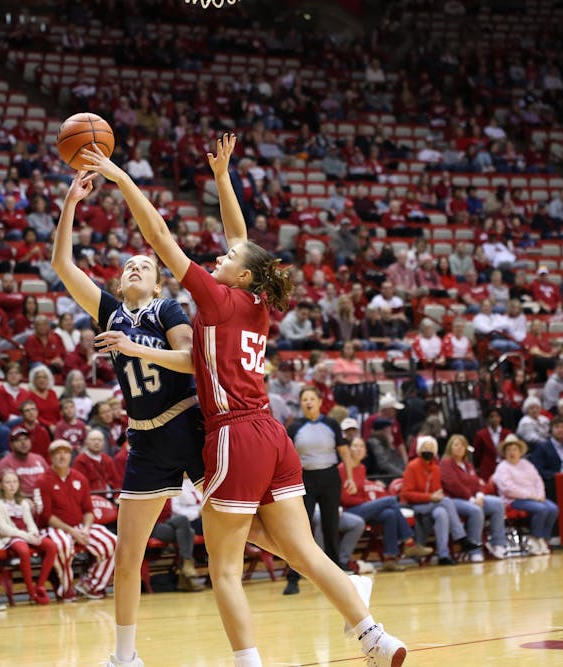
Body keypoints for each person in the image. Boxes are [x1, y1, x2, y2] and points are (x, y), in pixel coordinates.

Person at [80, 135, 407, 667]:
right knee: (302, 551)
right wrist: (223, 178)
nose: (219, 256)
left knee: (225, 571)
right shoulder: (257, 302)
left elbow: (159, 236)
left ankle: (247, 664)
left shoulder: (214, 296)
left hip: (233, 433)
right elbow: (242, 237)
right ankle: (376, 637)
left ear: (242, 274)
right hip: (274, 435)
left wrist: (120, 180)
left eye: (226, 258)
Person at [52, 152, 209, 667]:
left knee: (248, 531)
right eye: (128, 266)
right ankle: (124, 658)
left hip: (188, 425)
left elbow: (191, 361)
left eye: (145, 264)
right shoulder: (109, 309)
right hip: (144, 438)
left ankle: (319, 570)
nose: (136, 265)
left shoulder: (166, 308)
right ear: (120, 284)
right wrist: (71, 204)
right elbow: (62, 266)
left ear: (158, 282)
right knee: (127, 552)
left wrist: (137, 346)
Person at [283, 385, 355, 594]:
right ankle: (293, 576)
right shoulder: (295, 427)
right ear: (301, 403)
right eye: (304, 399)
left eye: (312, 398)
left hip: (330, 478)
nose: (308, 402)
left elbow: (345, 452)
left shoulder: (331, 424)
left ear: (320, 402)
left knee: (330, 525)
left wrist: (350, 478)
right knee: (300, 528)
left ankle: (335, 572)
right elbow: (288, 458)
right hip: (305, 480)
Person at [35, 439, 117, 602]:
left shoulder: (80, 478)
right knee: (63, 544)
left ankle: (90, 585)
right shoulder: (43, 480)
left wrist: (85, 530)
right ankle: (66, 589)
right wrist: (72, 532)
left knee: (113, 541)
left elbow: (88, 510)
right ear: (51, 456)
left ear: (71, 455)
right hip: (52, 528)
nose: (62, 456)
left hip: (80, 526)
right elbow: (47, 516)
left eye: (65, 452)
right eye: (58, 453)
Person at [339, 435, 432, 569]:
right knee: (390, 500)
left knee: (389, 513)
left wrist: (369, 490)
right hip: (349, 512)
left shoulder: (362, 468)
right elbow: (344, 499)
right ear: (348, 449)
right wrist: (365, 501)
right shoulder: (342, 469)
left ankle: (390, 558)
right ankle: (409, 542)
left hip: (363, 508)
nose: (358, 449)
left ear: (366, 452)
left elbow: (360, 491)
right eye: (355, 446)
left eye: (361, 446)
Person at [400, 436, 481, 565]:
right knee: (447, 501)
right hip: (415, 505)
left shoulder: (436, 469)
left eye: (431, 448)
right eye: (425, 447)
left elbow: (437, 492)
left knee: (441, 513)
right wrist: (430, 497)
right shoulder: (412, 466)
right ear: (419, 450)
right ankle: (461, 537)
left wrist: (434, 497)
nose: (428, 450)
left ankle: (443, 555)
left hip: (431, 505)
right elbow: (406, 494)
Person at [0, 470, 58, 605]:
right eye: (7, 482)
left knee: (51, 546)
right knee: (23, 550)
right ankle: (30, 591)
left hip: (26, 535)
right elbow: (3, 529)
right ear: (1, 485)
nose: (12, 485)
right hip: (10, 537)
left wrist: (33, 533)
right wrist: (26, 536)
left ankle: (40, 585)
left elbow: (30, 523)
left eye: (15, 482)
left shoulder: (23, 503)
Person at [439, 434, 508, 561]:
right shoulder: (445, 463)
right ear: (450, 447)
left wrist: (480, 495)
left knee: (498, 503)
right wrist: (471, 499)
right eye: (456, 445)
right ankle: (474, 550)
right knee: (475, 510)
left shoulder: (468, 465)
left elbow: (478, 483)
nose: (460, 448)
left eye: (463, 445)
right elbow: (453, 485)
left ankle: (499, 544)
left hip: (473, 498)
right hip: (454, 500)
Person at [492, 434, 558, 556]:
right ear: (505, 452)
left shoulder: (527, 464)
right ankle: (535, 537)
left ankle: (544, 539)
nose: (512, 452)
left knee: (553, 508)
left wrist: (540, 494)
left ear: (520, 451)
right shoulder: (502, 467)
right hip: (514, 500)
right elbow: (508, 489)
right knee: (542, 509)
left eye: (515, 449)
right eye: (509, 450)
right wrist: (531, 496)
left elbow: (538, 480)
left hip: (535, 497)